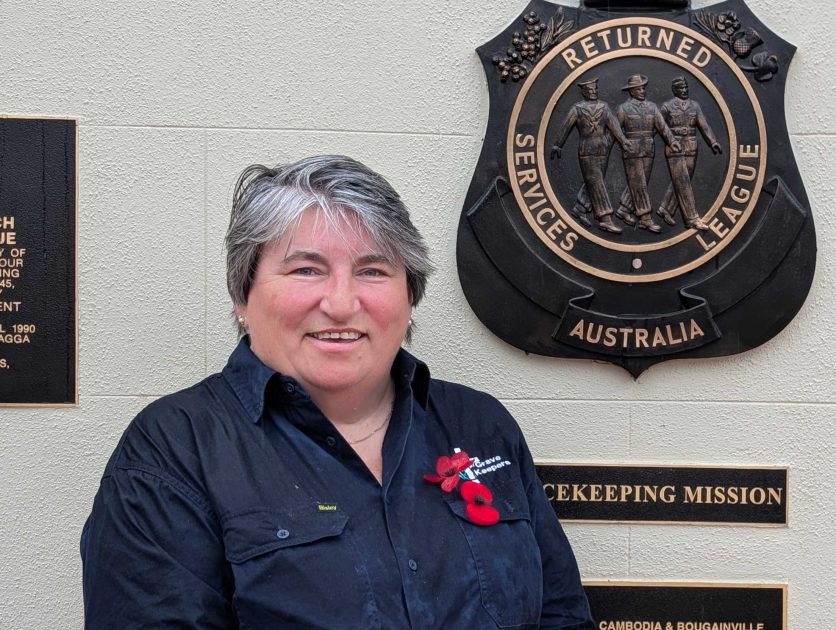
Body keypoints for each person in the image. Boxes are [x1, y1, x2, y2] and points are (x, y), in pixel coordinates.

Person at [80, 155, 595, 629]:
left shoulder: (480, 425)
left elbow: (561, 616)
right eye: (307, 269)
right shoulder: (174, 451)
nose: (342, 302)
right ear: (243, 294)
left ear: (409, 296)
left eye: (372, 271)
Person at [551, 77, 631, 234]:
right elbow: (565, 127)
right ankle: (605, 219)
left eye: (595, 89)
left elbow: (613, 125)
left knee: (593, 181)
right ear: (584, 92)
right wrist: (557, 145)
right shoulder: (578, 109)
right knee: (596, 182)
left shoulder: (604, 107)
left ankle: (580, 208)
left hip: (602, 149)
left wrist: (623, 141)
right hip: (586, 150)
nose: (593, 92)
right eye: (590, 90)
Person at [614, 74, 679, 234]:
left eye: (643, 88)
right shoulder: (624, 108)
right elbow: (615, 129)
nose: (643, 91)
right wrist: (623, 142)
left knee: (638, 183)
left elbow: (662, 127)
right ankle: (645, 218)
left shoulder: (652, 107)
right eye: (639, 89)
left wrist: (672, 141)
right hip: (632, 150)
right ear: (631, 91)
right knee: (640, 184)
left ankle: (623, 209)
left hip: (648, 149)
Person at [656, 77, 722, 231]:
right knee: (683, 181)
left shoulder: (695, 105)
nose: (685, 90)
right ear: (675, 90)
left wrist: (712, 142)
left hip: (691, 146)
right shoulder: (667, 106)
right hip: (675, 147)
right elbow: (658, 126)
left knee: (681, 181)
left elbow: (704, 125)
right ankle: (692, 218)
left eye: (686, 87)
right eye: (681, 88)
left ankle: (665, 208)